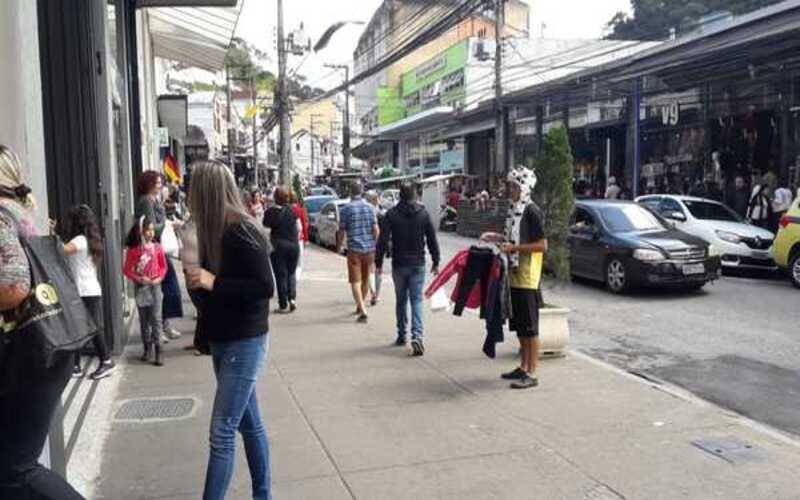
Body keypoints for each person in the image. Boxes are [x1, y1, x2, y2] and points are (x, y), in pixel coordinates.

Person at [0, 145, 86, 499]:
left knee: (16, 469)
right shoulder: (19, 211)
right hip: (45, 346)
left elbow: (16, 287)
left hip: (28, 352)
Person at [185, 161, 274, 500]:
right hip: (223, 338)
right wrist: (196, 276)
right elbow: (205, 293)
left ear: (204, 192)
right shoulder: (212, 230)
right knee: (250, 425)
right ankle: (263, 495)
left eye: (194, 189)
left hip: (245, 340)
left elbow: (264, 286)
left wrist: (213, 281)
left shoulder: (242, 229)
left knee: (222, 431)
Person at [481, 167, 548, 390]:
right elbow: (512, 238)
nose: (509, 190)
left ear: (524, 187)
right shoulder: (514, 210)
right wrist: (497, 237)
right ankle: (523, 366)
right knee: (519, 325)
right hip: (514, 276)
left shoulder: (531, 211)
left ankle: (532, 371)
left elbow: (542, 245)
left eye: (513, 186)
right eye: (509, 186)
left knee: (530, 327)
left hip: (528, 277)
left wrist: (514, 247)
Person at [377, 182, 440, 355]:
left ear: (400, 196)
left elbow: (382, 241)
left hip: (399, 264)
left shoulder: (391, 214)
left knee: (401, 300)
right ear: (414, 196)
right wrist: (436, 261)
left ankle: (401, 334)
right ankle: (417, 336)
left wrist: (378, 263)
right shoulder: (423, 214)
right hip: (418, 263)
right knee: (417, 300)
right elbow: (432, 239)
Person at [60, 204, 115, 379]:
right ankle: (76, 365)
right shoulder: (89, 240)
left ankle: (106, 361)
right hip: (87, 289)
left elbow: (61, 250)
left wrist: (50, 233)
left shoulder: (80, 241)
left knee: (92, 328)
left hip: (84, 291)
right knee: (79, 327)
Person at [134, 171, 183, 341]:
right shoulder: (146, 201)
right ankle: (157, 330)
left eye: (161, 182)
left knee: (168, 289)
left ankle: (163, 326)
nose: (160, 185)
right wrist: (167, 224)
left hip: (157, 250)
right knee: (159, 291)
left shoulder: (154, 200)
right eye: (157, 182)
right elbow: (151, 228)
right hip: (150, 252)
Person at [123, 216, 169, 366]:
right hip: (141, 287)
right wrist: (138, 278)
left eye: (151, 230)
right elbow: (127, 270)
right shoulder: (134, 250)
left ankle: (159, 350)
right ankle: (147, 347)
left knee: (156, 318)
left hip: (155, 286)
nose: (150, 233)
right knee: (144, 320)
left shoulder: (157, 248)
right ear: (140, 231)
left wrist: (159, 279)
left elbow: (163, 267)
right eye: (147, 230)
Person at [337, 182, 379, 323]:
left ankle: (362, 309)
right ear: (361, 192)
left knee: (355, 281)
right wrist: (374, 243)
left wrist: (339, 247)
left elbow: (341, 231)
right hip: (369, 250)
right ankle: (359, 306)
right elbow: (376, 230)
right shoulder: (370, 207)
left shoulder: (346, 209)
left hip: (354, 250)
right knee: (366, 279)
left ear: (350, 192)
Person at [263, 186, 300, 313]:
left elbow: (265, 230)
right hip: (294, 246)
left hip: (278, 246)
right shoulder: (293, 210)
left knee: (280, 275)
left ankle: (283, 304)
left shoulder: (270, 212)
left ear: (275, 198)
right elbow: (299, 228)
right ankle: (293, 299)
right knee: (291, 272)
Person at [365, 190, 386, 306]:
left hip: (367, 245)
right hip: (378, 246)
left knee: (369, 271)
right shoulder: (381, 214)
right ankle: (376, 295)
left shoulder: (366, 212)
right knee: (378, 271)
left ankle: (372, 292)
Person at [290, 192, 309, 280]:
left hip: (289, 237)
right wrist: (306, 239)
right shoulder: (300, 210)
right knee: (299, 260)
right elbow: (304, 226)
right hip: (299, 238)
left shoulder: (286, 209)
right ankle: (296, 277)